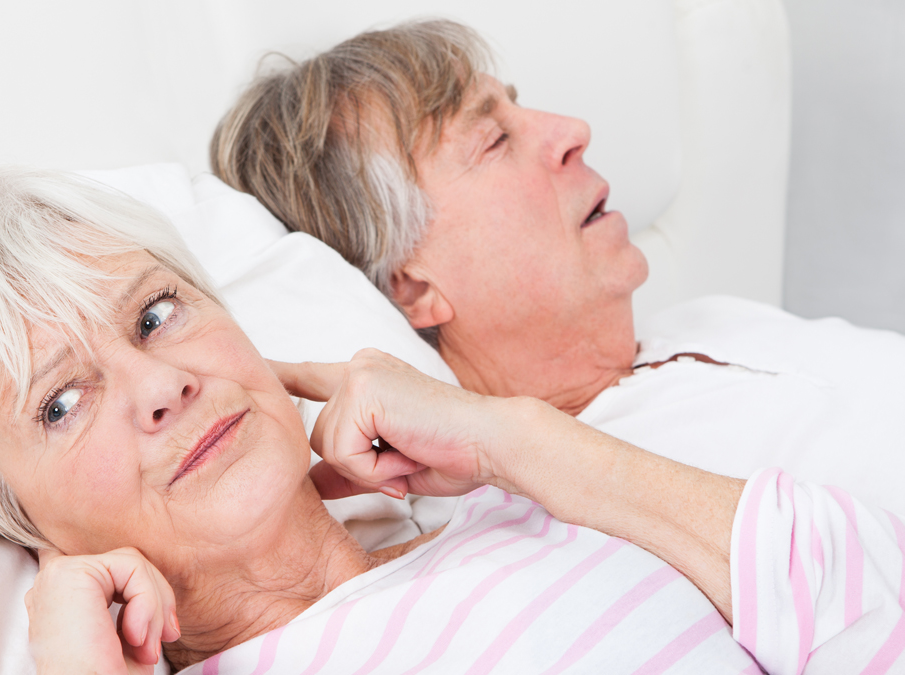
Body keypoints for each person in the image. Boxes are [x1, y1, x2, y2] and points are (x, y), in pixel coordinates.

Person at [0, 167, 905, 673]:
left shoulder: (518, 507)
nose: (158, 385)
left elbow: (868, 607)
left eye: (157, 313)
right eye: (60, 402)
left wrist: (511, 437)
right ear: (28, 527)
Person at [210, 19, 905, 515]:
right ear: (411, 285)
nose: (572, 130)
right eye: (493, 139)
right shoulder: (580, 518)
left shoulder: (714, 321)